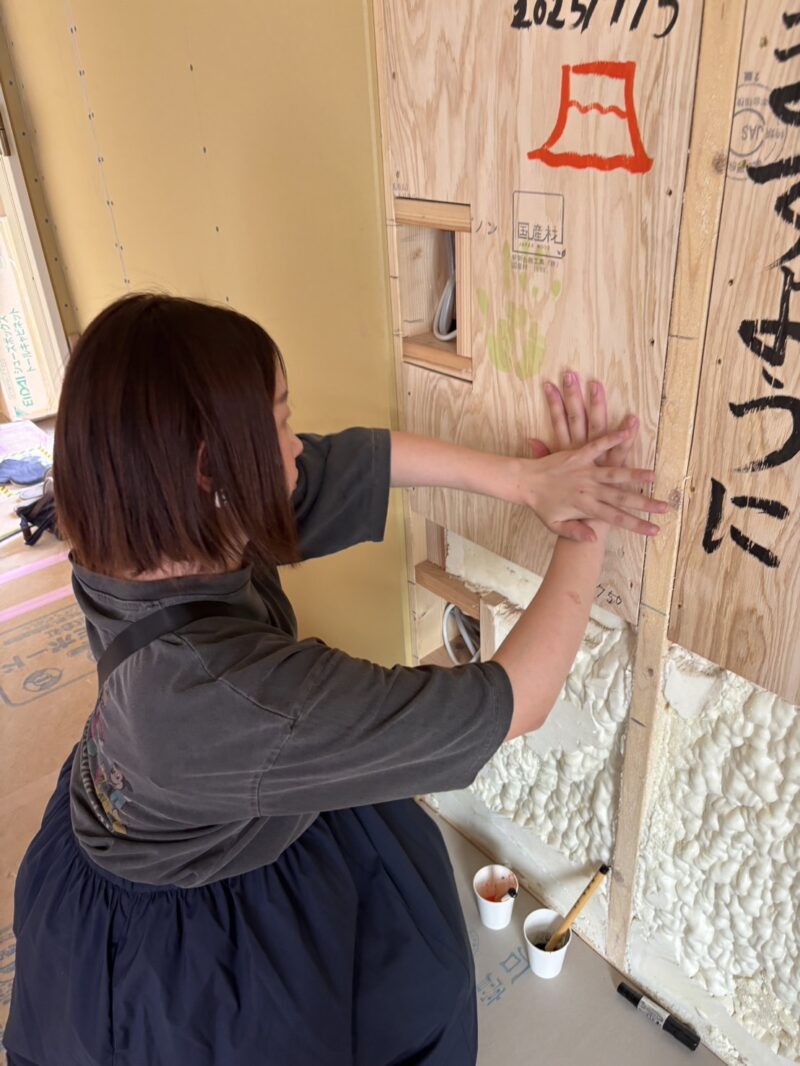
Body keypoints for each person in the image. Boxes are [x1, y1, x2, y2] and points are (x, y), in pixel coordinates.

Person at [4, 294, 666, 1066]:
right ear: (210, 469)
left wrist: (528, 482)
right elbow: (519, 700)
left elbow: (350, 462)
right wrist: (587, 526)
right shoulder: (232, 705)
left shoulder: (137, 530)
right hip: (187, 938)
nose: (296, 448)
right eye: (281, 422)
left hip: (126, 816)